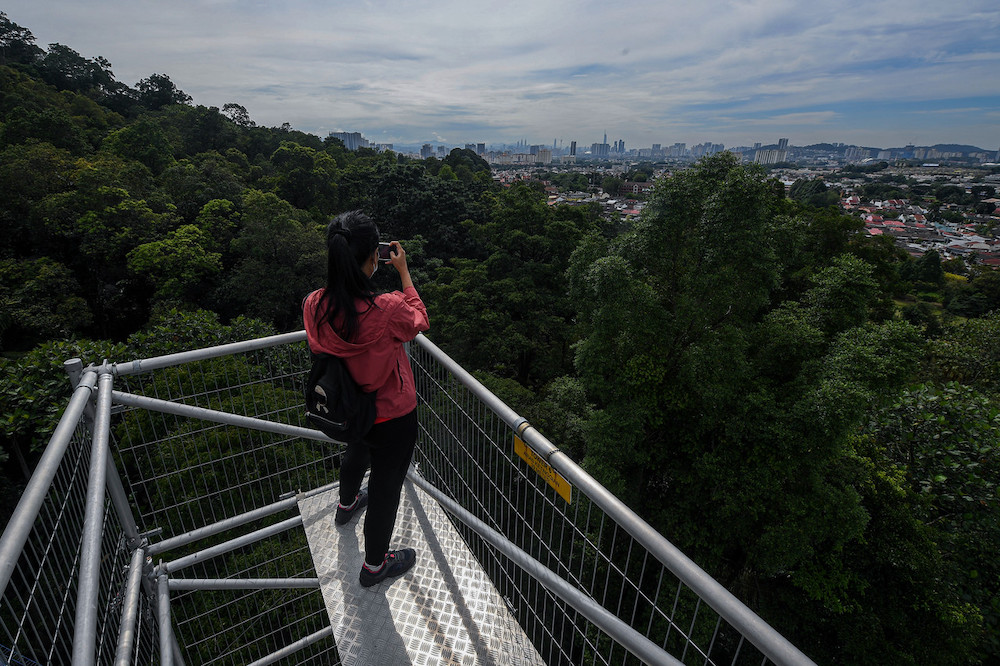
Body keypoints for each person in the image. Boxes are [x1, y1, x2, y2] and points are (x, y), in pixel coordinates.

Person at [302, 210, 429, 588]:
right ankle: (375, 566)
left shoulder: (314, 304)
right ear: (376, 257)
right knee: (386, 488)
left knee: (356, 451)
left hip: (349, 407)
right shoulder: (387, 309)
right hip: (391, 414)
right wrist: (403, 272)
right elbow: (419, 320)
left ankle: (345, 505)